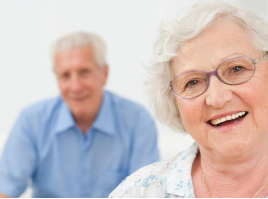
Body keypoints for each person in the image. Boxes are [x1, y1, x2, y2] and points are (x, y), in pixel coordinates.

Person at [109, 2, 268, 198]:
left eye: (236, 69)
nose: (217, 98)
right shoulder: (138, 192)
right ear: (175, 105)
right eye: (193, 82)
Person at [0, 32, 160, 198]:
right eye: (65, 75)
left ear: (104, 74)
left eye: (84, 72)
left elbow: (146, 194)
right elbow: (5, 192)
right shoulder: (31, 121)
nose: (75, 87)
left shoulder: (137, 121)